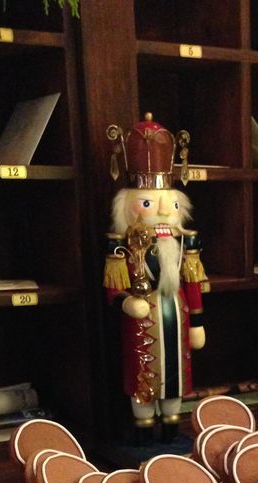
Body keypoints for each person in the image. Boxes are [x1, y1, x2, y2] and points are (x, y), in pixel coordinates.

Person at [103, 113, 208, 438]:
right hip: (141, 321)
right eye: (149, 203)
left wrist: (199, 323)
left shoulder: (182, 241)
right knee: (142, 374)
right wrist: (124, 303)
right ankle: (145, 428)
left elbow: (192, 284)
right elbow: (113, 288)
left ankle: (172, 428)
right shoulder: (120, 244)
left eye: (168, 204)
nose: (162, 211)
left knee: (176, 375)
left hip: (176, 316)